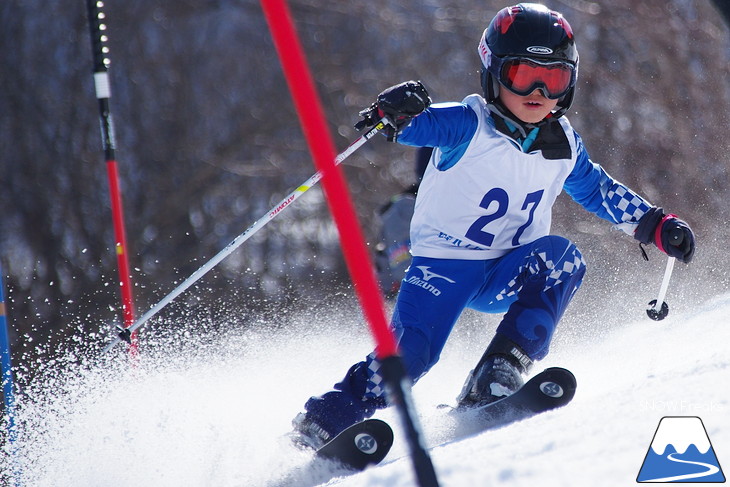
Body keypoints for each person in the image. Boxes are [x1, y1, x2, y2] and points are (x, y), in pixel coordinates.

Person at [292, 3, 696, 449]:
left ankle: (498, 372)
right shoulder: (468, 124)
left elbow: (598, 190)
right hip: (443, 268)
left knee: (562, 259)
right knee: (413, 356)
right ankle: (326, 419)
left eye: (555, 78)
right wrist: (395, 111)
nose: (539, 90)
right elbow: (412, 127)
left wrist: (656, 225)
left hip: (506, 272)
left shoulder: (564, 145)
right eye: (524, 75)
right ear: (494, 72)